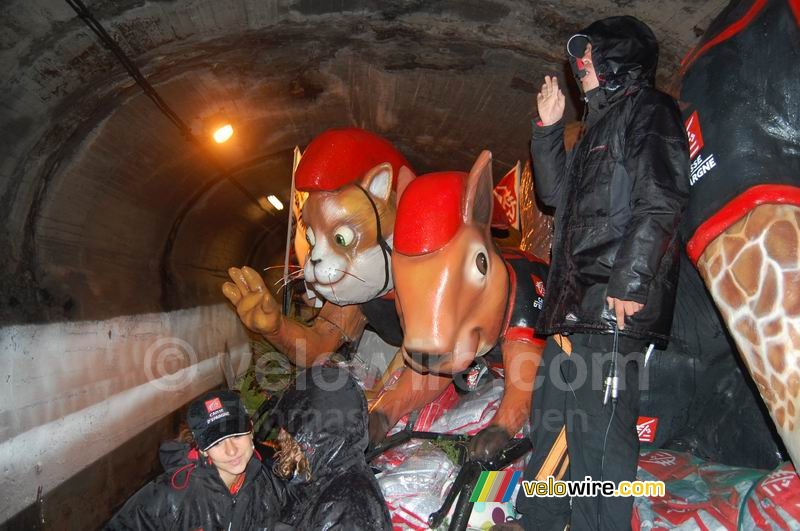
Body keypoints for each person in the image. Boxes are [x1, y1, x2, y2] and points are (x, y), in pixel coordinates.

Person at [516, 16, 689, 530]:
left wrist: (631, 282)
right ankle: (541, 520)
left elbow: (661, 199)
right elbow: (554, 198)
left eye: (589, 54)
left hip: (614, 304)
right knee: (552, 422)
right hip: (574, 307)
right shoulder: (595, 130)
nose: (579, 65)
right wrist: (547, 129)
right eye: (578, 58)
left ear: (619, 58)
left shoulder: (651, 111)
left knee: (601, 438)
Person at [106, 390, 284, 530]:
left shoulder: (270, 482)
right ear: (202, 449)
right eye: (217, 442)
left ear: (251, 430)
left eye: (236, 435)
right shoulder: (171, 496)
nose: (231, 451)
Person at [270, 365, 392, 530]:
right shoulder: (324, 474)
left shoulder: (347, 507)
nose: (281, 436)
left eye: (290, 429)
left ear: (313, 437)